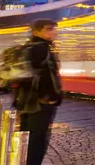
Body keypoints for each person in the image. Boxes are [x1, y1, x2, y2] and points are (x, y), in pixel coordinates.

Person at [14, 19, 62, 165]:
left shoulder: (25, 47)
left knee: (27, 137)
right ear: (36, 32)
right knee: (37, 141)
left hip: (25, 102)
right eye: (49, 29)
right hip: (40, 103)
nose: (54, 31)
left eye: (54, 28)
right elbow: (49, 77)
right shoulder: (42, 49)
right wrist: (52, 97)